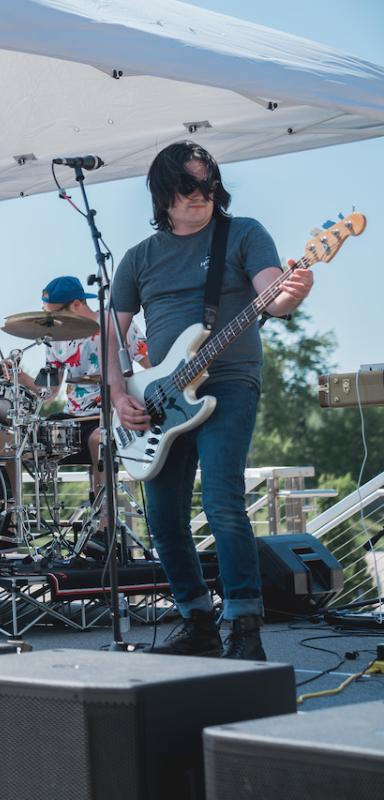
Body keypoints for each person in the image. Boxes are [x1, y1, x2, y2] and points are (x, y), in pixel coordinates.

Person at [106, 141, 312, 659]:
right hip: (157, 397)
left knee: (222, 502)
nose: (200, 196)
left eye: (208, 186)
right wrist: (116, 392)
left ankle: (244, 626)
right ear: (163, 194)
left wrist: (295, 290)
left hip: (229, 381)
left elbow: (276, 296)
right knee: (163, 515)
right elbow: (111, 335)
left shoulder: (243, 233)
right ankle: (196, 620)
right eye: (187, 187)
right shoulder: (138, 258)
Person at [16, 275, 150, 501]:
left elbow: (152, 364)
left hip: (113, 416)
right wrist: (20, 377)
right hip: (73, 419)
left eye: (54, 314)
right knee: (18, 442)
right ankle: (13, 522)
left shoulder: (115, 324)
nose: (49, 320)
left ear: (77, 305)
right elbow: (49, 393)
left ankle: (104, 524)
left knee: (99, 439)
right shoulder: (55, 337)